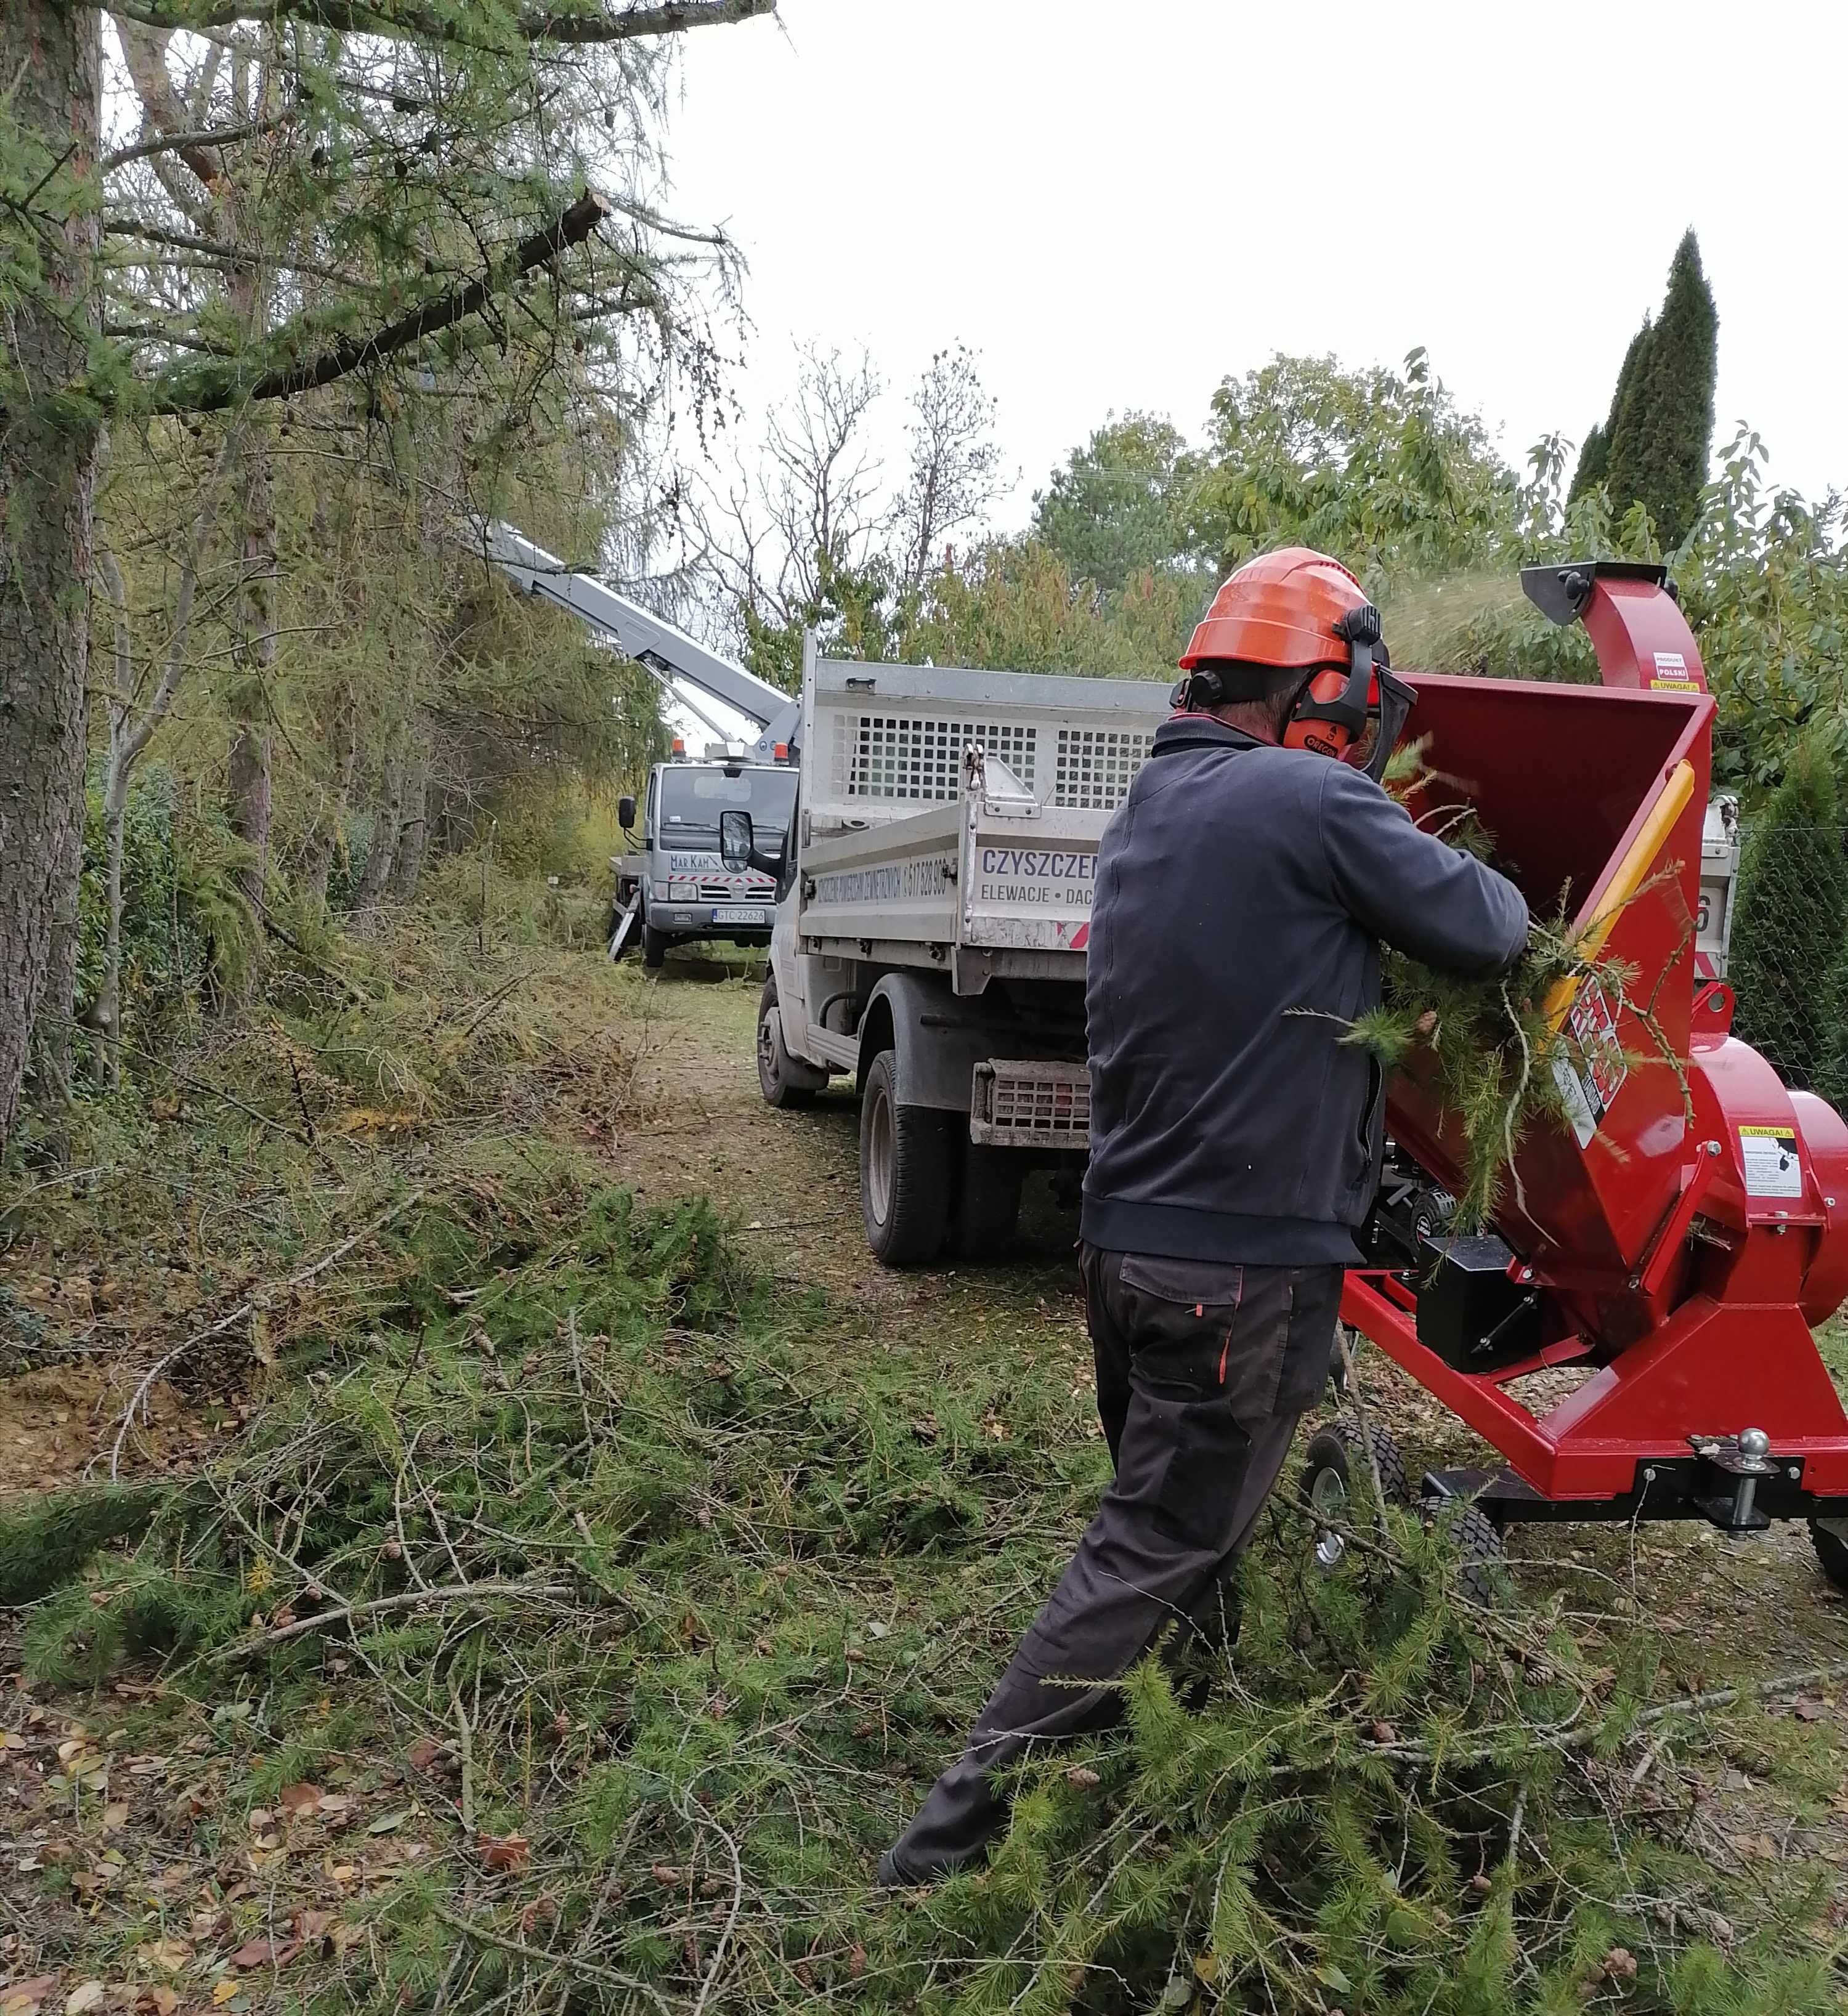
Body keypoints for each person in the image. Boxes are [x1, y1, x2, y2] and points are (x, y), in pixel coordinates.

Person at [877, 546, 1529, 1888]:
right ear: (1304, 696)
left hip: (1131, 1256)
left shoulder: (1150, 814)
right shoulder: (1306, 801)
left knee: (1190, 1543)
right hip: (1237, 1275)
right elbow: (1494, 927)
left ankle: (1186, 1773)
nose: (1360, 734)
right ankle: (940, 1855)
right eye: (1350, 705)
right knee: (1155, 1546)